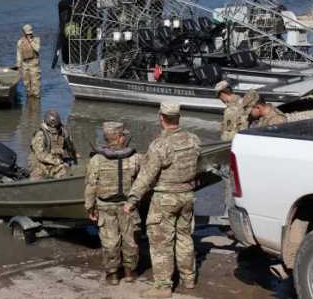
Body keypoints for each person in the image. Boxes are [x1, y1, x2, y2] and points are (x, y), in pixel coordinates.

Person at [123, 103, 201, 298]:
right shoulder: (193, 139)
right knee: (184, 237)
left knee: (161, 242)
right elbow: (198, 166)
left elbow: (146, 176)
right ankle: (188, 278)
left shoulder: (160, 144)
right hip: (187, 196)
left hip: (165, 198)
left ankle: (163, 287)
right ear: (178, 117)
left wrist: (132, 200)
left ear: (161, 117)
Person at [85, 122, 141, 286]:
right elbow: (142, 180)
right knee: (130, 239)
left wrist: (89, 207)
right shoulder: (134, 157)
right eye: (123, 134)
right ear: (120, 137)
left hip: (105, 206)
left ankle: (113, 275)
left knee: (110, 241)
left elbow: (91, 186)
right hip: (127, 206)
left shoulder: (97, 160)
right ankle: (130, 272)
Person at [28, 109, 76, 180]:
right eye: (53, 127)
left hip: (56, 161)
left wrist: (73, 155)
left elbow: (70, 146)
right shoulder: (40, 135)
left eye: (56, 127)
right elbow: (40, 155)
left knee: (67, 173)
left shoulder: (63, 132)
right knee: (36, 177)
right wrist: (57, 161)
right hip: (39, 163)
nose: (54, 129)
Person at [16, 24, 41, 97]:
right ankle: (29, 95)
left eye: (30, 33)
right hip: (24, 63)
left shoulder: (36, 39)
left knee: (35, 82)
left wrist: (31, 41)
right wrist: (18, 65)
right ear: (23, 33)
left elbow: (37, 49)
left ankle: (36, 97)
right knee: (26, 82)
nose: (29, 35)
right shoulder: (20, 41)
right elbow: (19, 54)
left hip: (34, 62)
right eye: (27, 33)